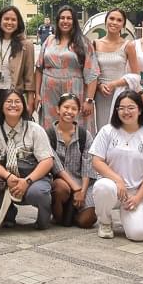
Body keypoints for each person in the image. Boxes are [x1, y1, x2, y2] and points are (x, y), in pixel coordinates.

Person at [0, 90, 54, 231]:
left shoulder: (35, 130)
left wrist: (27, 181)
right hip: (8, 178)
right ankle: (8, 216)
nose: (13, 105)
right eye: (9, 102)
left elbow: (47, 161)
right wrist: (8, 177)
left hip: (33, 179)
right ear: (2, 107)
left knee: (38, 193)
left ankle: (43, 220)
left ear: (23, 106)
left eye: (17, 101)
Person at [90, 91, 143, 241]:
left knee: (139, 234)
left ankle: (129, 215)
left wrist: (138, 198)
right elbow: (96, 161)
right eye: (121, 108)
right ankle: (105, 221)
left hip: (133, 193)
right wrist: (118, 180)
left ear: (140, 110)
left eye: (131, 107)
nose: (126, 112)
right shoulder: (107, 131)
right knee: (103, 187)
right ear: (116, 110)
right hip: (111, 187)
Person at [34, 5, 99, 127]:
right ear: (57, 21)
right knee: (50, 125)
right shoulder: (49, 40)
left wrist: (89, 100)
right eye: (62, 18)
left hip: (74, 89)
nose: (65, 21)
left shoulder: (83, 42)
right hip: (49, 91)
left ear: (74, 21)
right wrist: (37, 94)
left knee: (74, 123)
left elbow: (92, 73)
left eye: (69, 18)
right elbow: (39, 69)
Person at [0, 6, 37, 133]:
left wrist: (30, 102)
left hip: (14, 94)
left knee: (14, 132)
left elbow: (29, 77)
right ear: (0, 21)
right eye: (6, 19)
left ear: (18, 23)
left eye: (13, 20)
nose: (9, 22)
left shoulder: (26, 45)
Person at [46, 93, 96, 228]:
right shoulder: (48, 134)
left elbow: (88, 165)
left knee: (87, 220)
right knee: (61, 188)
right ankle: (59, 215)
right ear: (58, 109)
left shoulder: (85, 135)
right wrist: (75, 188)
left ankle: (72, 211)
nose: (69, 111)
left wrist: (82, 191)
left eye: (74, 109)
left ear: (78, 112)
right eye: (66, 107)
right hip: (60, 181)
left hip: (82, 182)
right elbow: (56, 167)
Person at [92, 8, 141, 134]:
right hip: (101, 95)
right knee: (102, 131)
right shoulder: (95, 44)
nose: (114, 22)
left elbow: (136, 76)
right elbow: (90, 71)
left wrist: (114, 84)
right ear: (106, 21)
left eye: (119, 20)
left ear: (123, 25)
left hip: (120, 94)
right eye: (112, 18)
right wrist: (99, 85)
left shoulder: (128, 45)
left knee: (120, 131)